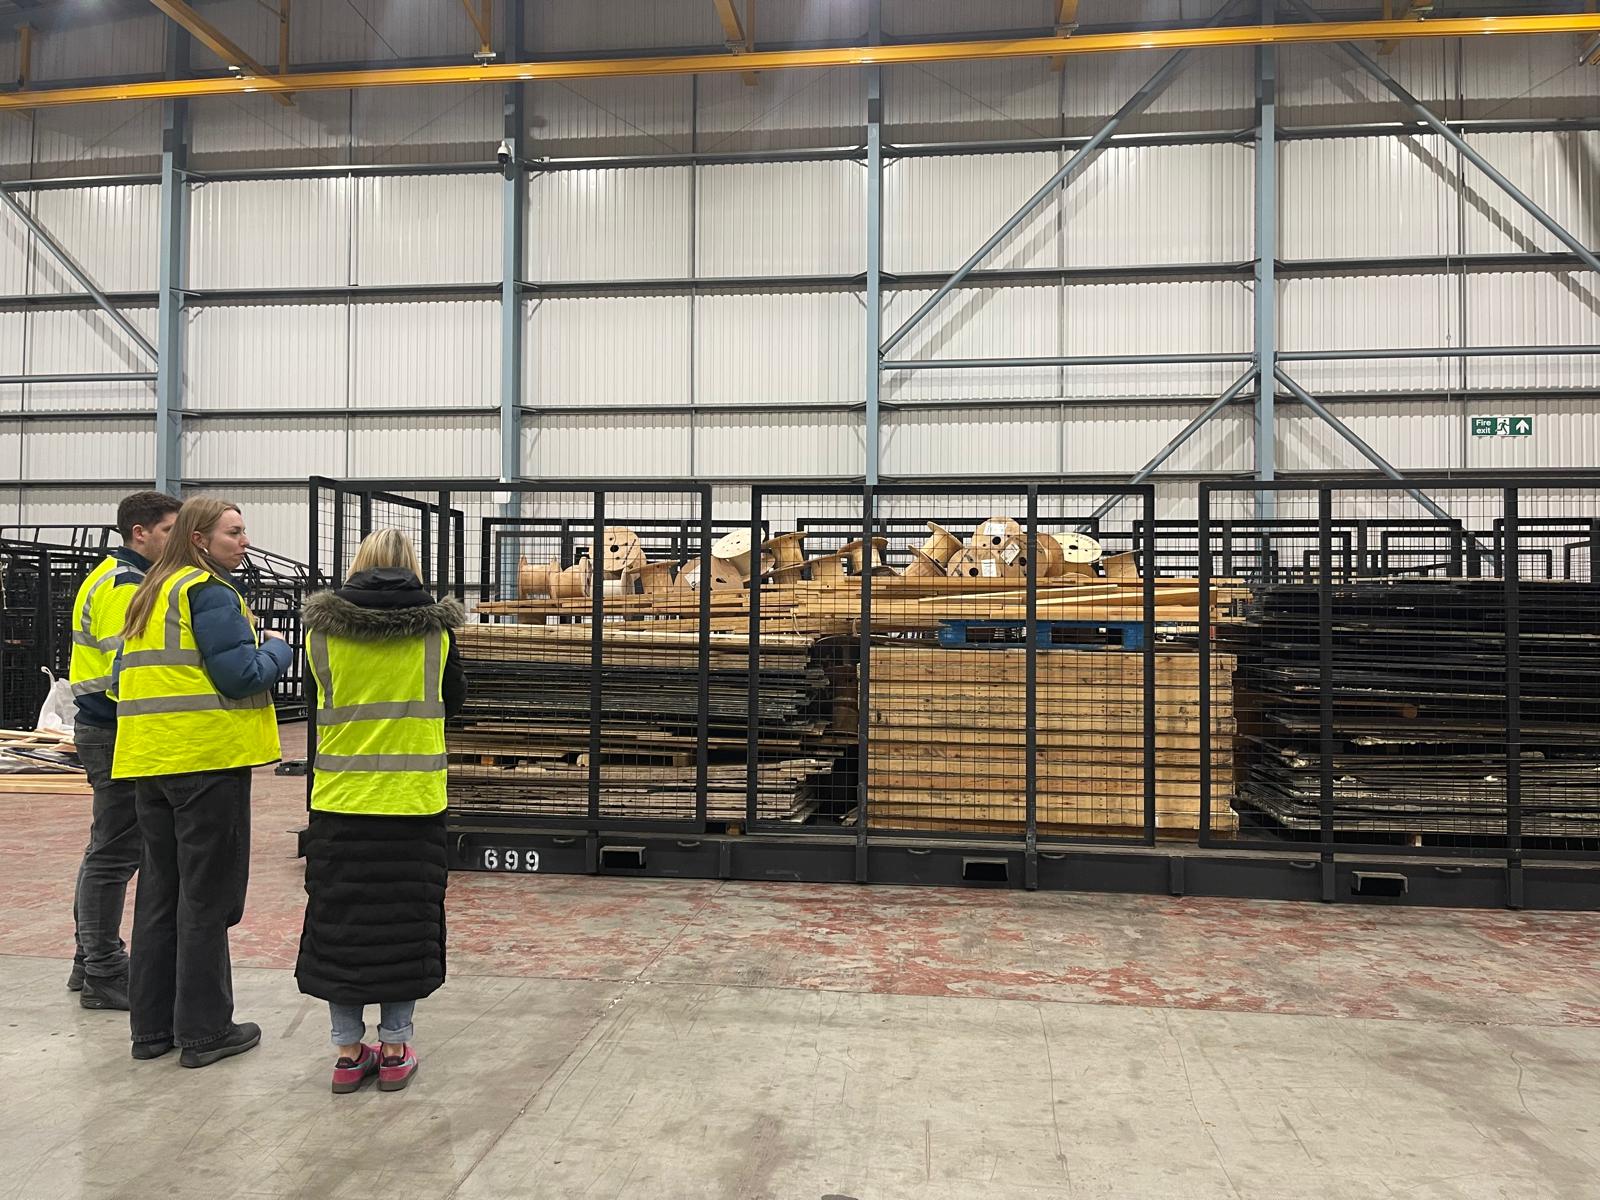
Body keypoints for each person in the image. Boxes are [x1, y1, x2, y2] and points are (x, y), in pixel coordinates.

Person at [112, 498, 292, 1067]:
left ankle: (152, 1031)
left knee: (159, 895)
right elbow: (240, 676)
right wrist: (278, 648)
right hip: (206, 762)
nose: (244, 542)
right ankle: (205, 1031)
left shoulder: (149, 592)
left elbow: (122, 678)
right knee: (206, 899)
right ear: (199, 540)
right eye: (233, 532)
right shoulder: (208, 592)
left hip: (151, 761)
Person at [294, 529, 465, 1094]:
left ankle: (348, 1053)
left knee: (341, 925)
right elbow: (456, 701)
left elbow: (315, 702)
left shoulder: (321, 632)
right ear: (412, 566)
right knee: (404, 926)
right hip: (414, 803)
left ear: (358, 564)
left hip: (340, 802)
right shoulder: (436, 632)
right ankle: (394, 1049)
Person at [66, 490, 182, 1011]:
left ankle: (89, 959)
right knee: (114, 854)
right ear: (141, 532)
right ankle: (105, 971)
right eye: (169, 531)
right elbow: (128, 671)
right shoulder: (124, 586)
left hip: (105, 726)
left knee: (107, 849)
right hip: (112, 729)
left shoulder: (121, 577)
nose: (176, 542)